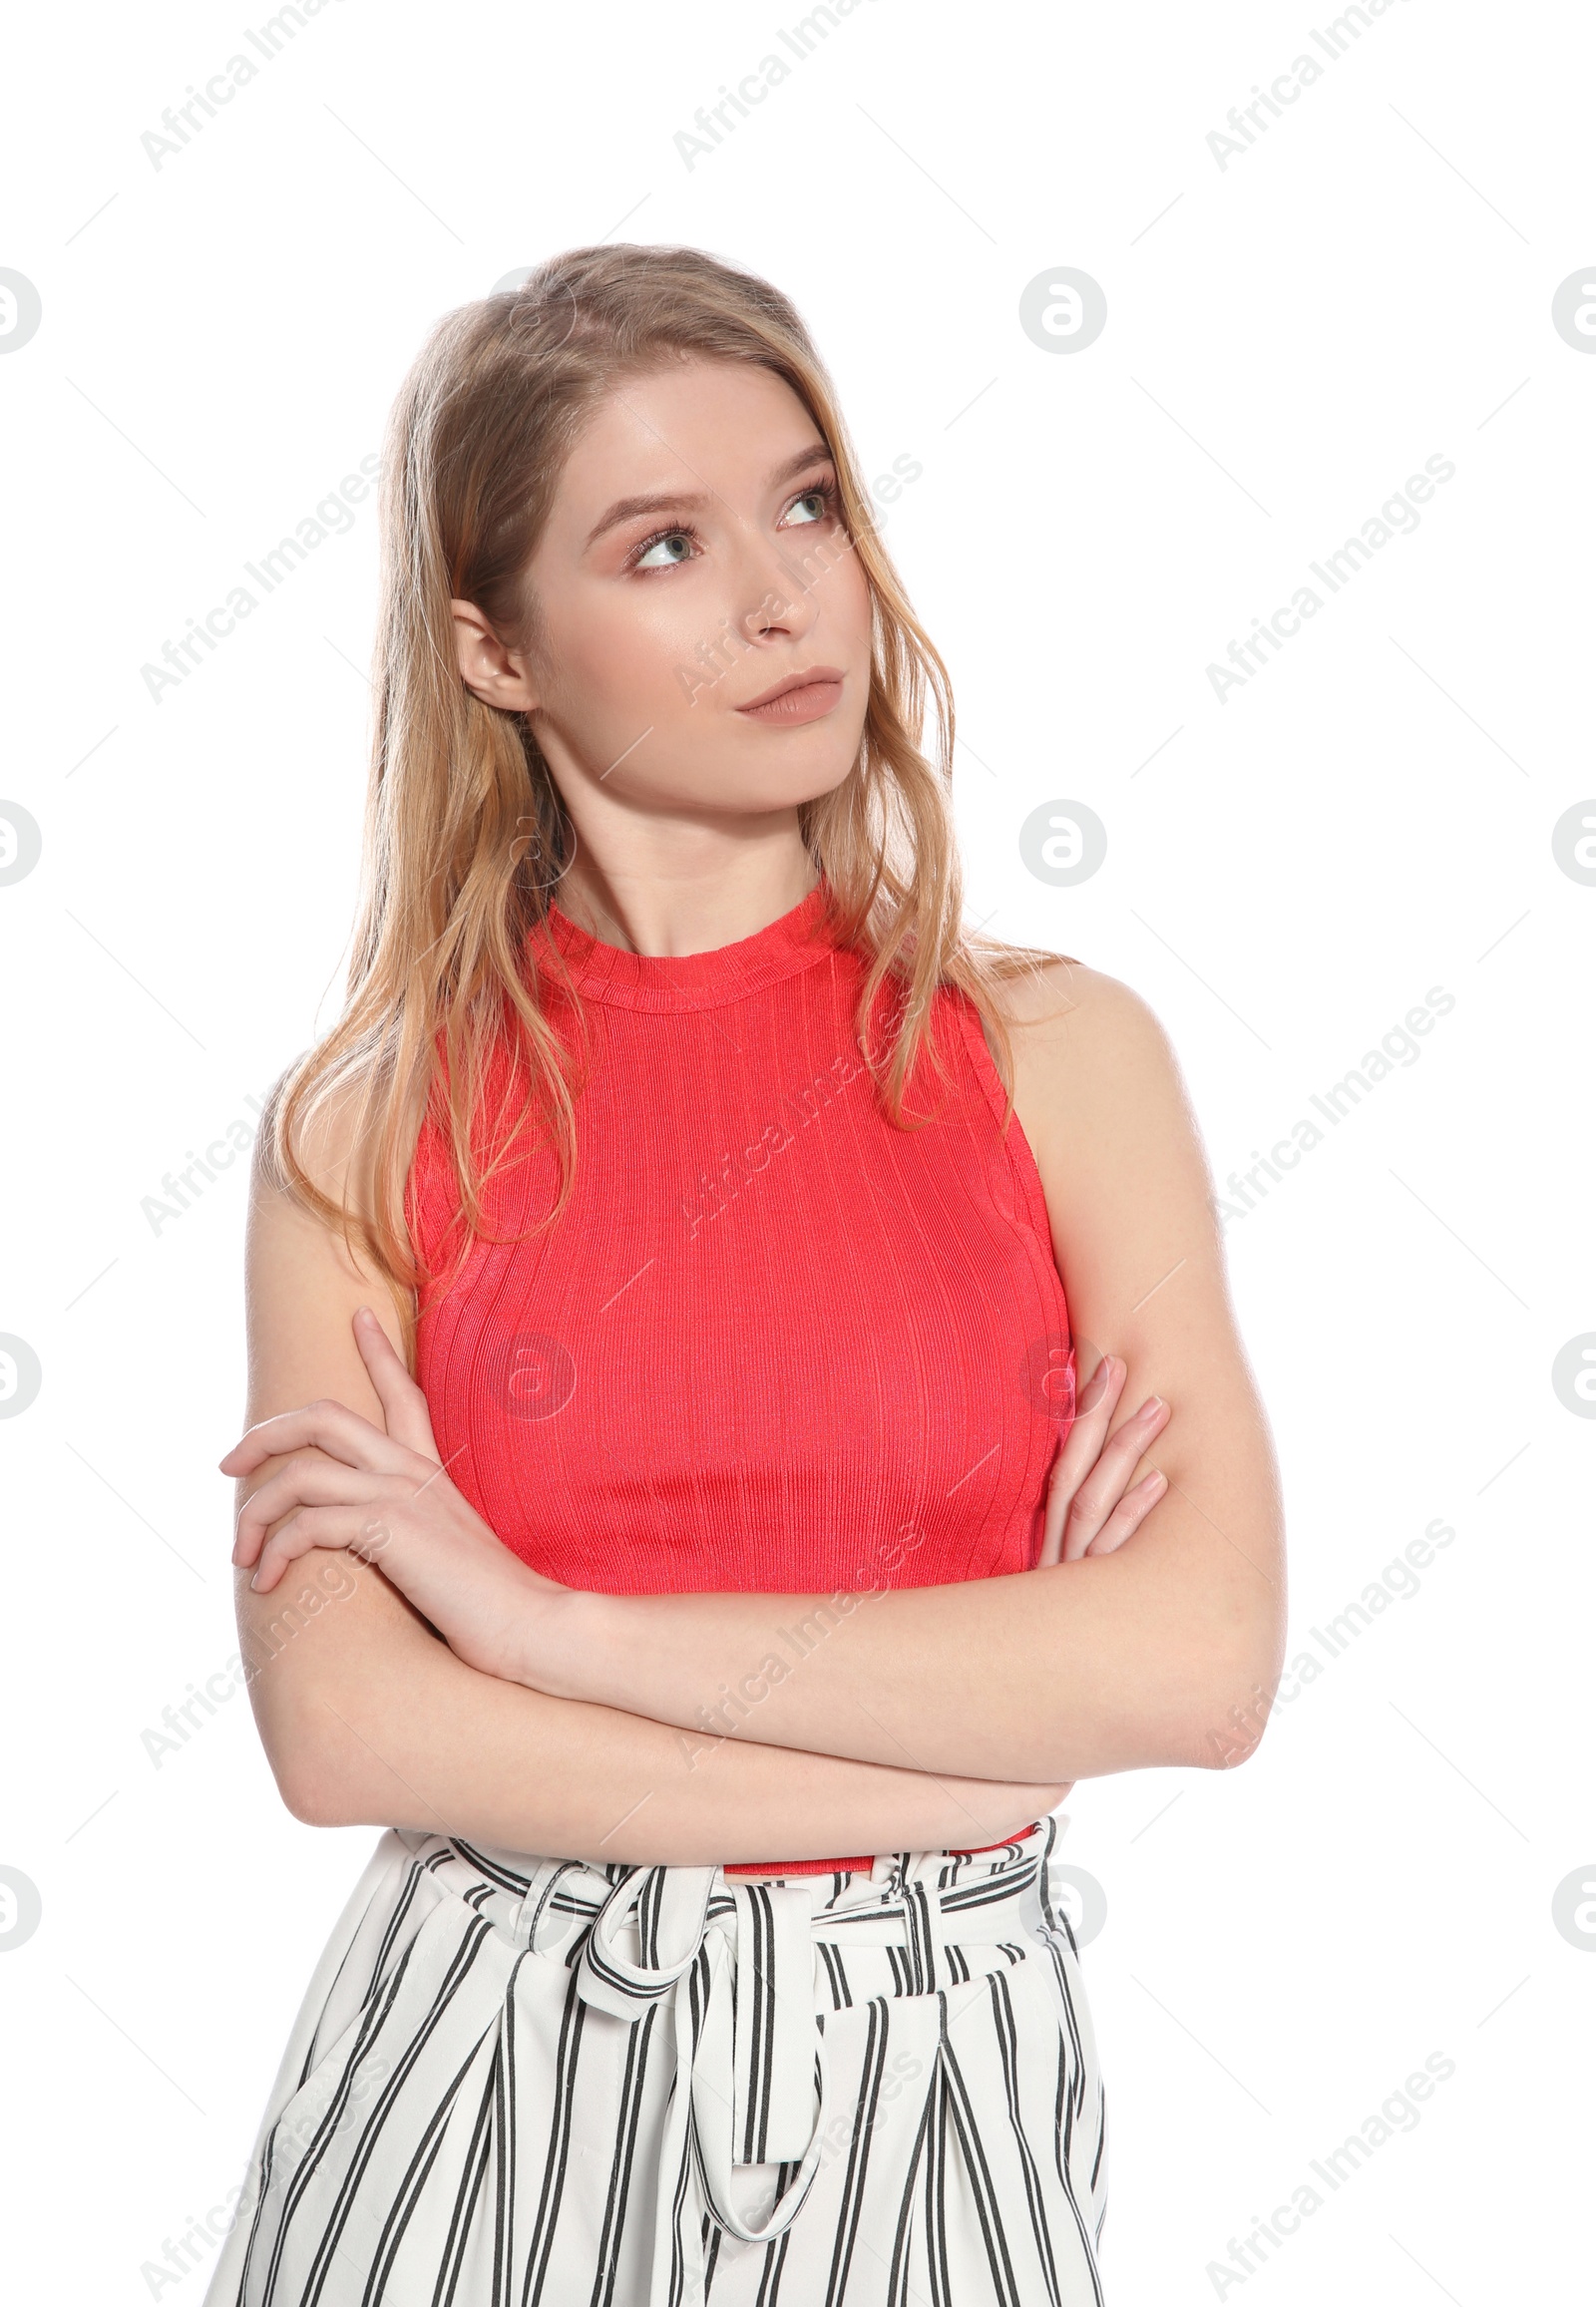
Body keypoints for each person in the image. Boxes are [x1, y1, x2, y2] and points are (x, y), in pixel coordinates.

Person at [203, 243, 1285, 2307]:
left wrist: (533, 1625)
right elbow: (346, 1732)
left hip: (935, 2060)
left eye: (805, 505)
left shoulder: (1056, 1057)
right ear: (495, 648)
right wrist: (966, 1751)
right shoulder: (360, 1126)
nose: (785, 599)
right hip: (483, 2050)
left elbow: (1195, 1667)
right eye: (663, 546)